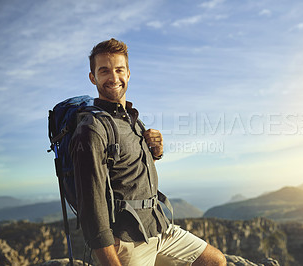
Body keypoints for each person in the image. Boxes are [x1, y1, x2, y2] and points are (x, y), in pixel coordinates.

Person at [70, 38, 226, 266]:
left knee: (215, 261)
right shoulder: (91, 129)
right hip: (127, 241)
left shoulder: (132, 120)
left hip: (158, 228)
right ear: (93, 77)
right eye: (104, 71)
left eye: (119, 70)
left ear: (129, 74)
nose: (114, 77)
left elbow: (127, 170)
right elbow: (92, 212)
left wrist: (156, 153)